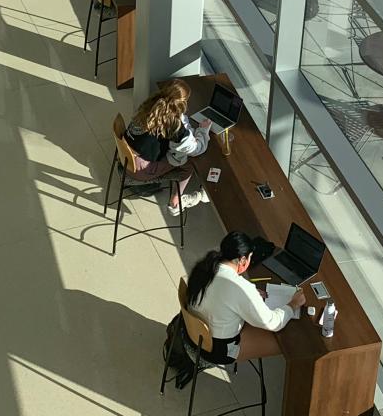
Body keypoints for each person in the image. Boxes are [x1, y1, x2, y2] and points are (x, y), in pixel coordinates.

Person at [186, 231, 306, 362]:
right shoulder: (240, 287)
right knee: (286, 341)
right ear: (243, 259)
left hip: (192, 333)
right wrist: (293, 304)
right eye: (250, 258)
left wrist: (250, 296)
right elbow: (273, 323)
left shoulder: (206, 266)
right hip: (217, 350)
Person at [123, 78, 213, 215]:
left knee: (177, 151)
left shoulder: (150, 104)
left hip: (126, 156)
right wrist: (203, 131)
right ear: (182, 103)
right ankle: (176, 202)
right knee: (190, 163)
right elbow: (196, 149)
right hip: (140, 169)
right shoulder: (173, 125)